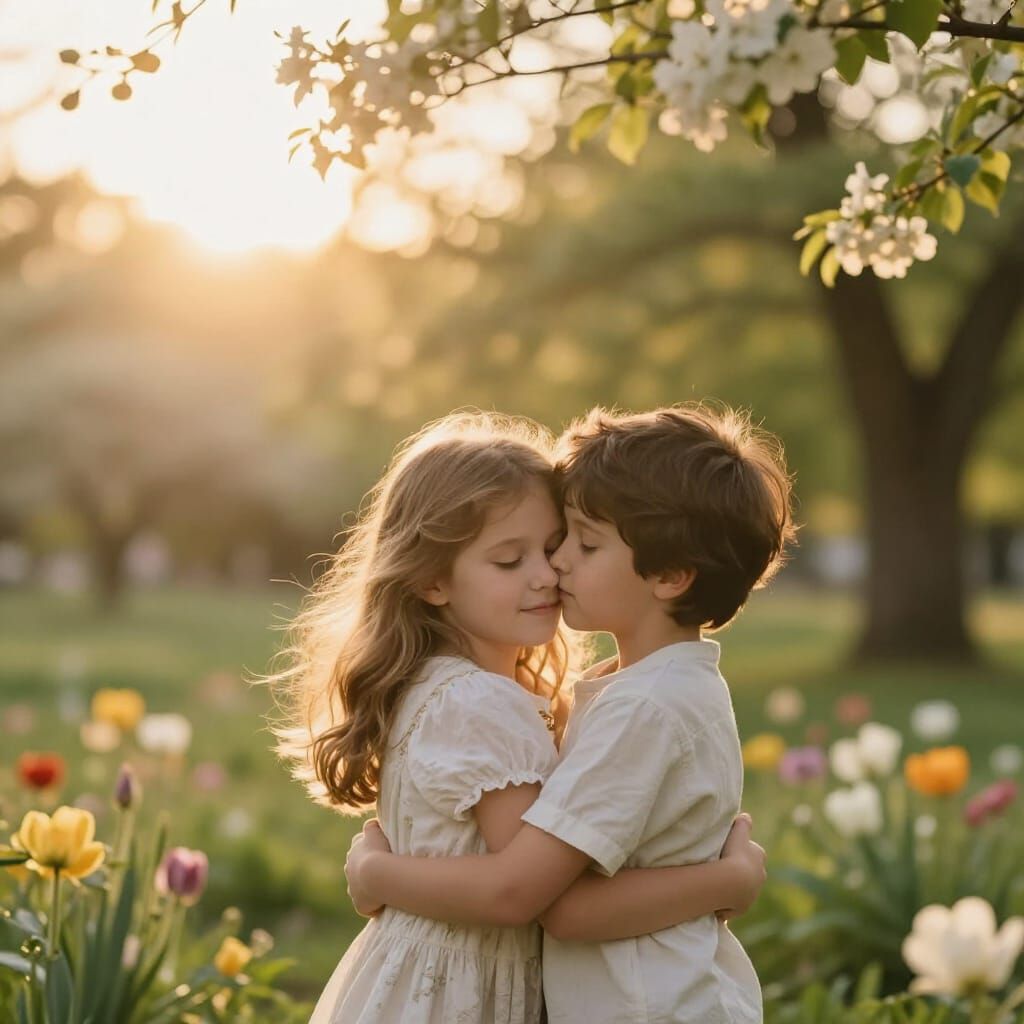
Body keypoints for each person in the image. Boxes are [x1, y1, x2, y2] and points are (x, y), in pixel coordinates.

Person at [270, 410, 768, 1024]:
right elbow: (532, 893)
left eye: (570, 544)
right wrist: (727, 883)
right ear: (431, 580)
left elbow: (536, 896)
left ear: (669, 575)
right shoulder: (487, 702)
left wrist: (377, 874)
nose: (552, 568)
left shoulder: (627, 702)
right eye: (513, 560)